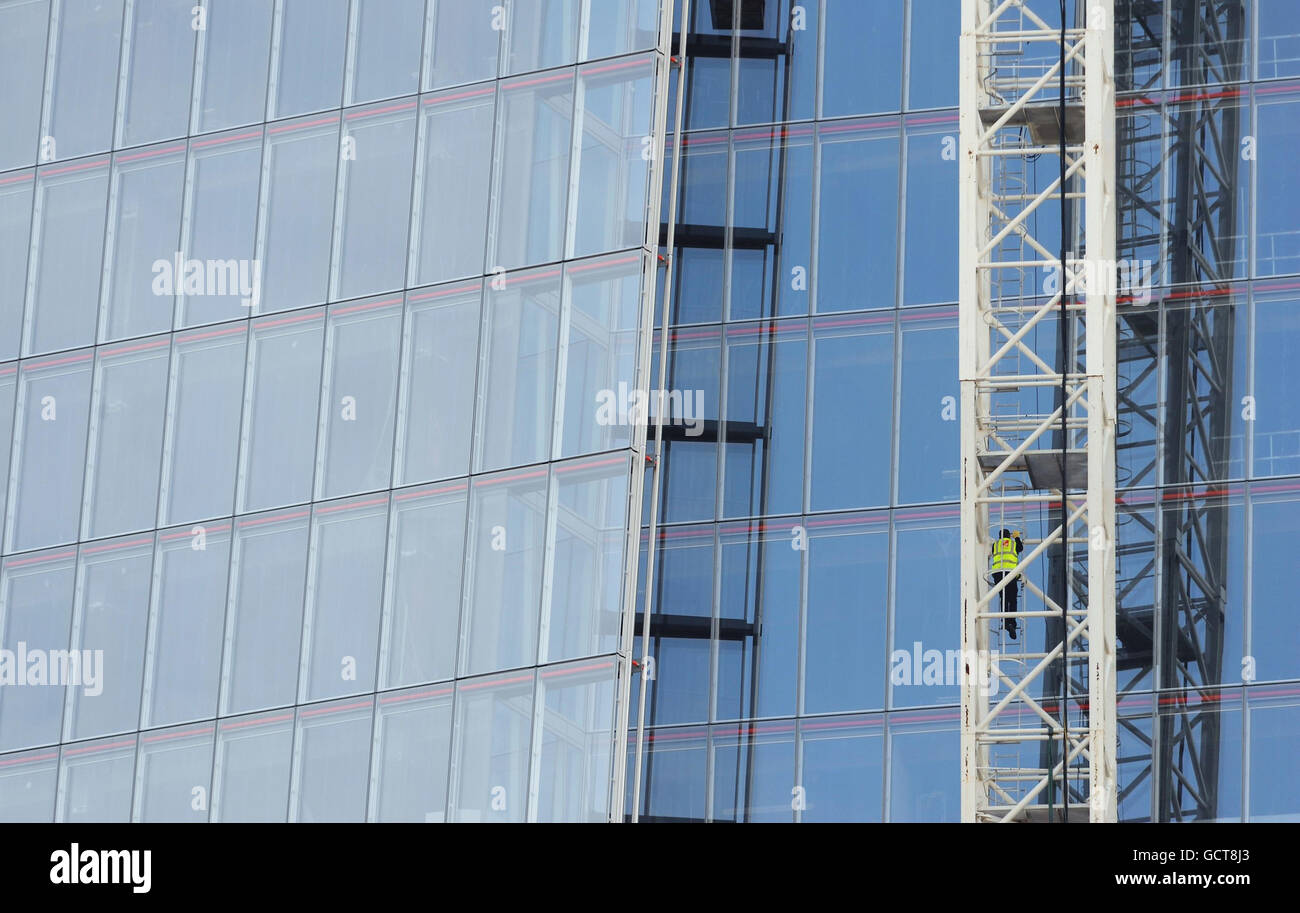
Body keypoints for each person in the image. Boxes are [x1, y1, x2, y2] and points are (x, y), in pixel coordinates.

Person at [990, 528, 1023, 639]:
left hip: (998, 573)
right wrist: (1017, 536)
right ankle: (1011, 622)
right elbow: (1020, 548)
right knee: (1012, 598)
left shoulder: (995, 545)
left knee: (1003, 598)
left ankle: (1005, 621)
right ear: (1009, 535)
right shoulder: (1013, 543)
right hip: (1010, 573)